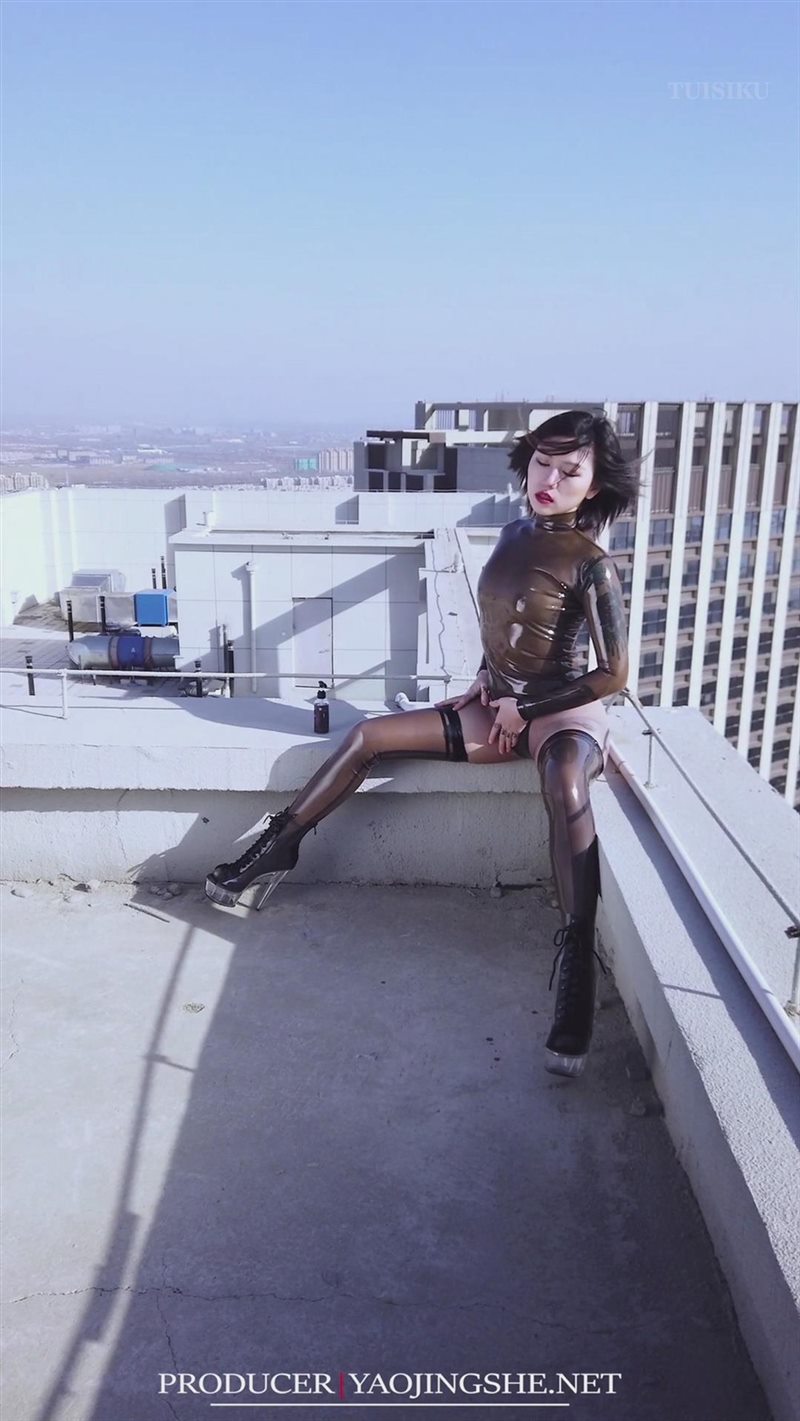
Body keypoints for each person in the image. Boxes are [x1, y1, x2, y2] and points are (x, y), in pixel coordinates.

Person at [205, 409, 640, 1078]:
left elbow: (612, 674)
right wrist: (485, 683)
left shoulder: (592, 564)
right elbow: (503, 627)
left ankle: (575, 966)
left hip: (562, 713)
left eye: (569, 471)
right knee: (368, 735)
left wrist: (525, 706)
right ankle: (279, 844)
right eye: (542, 463)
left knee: (565, 783)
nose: (550, 480)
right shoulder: (512, 534)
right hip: (496, 705)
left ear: (594, 485)